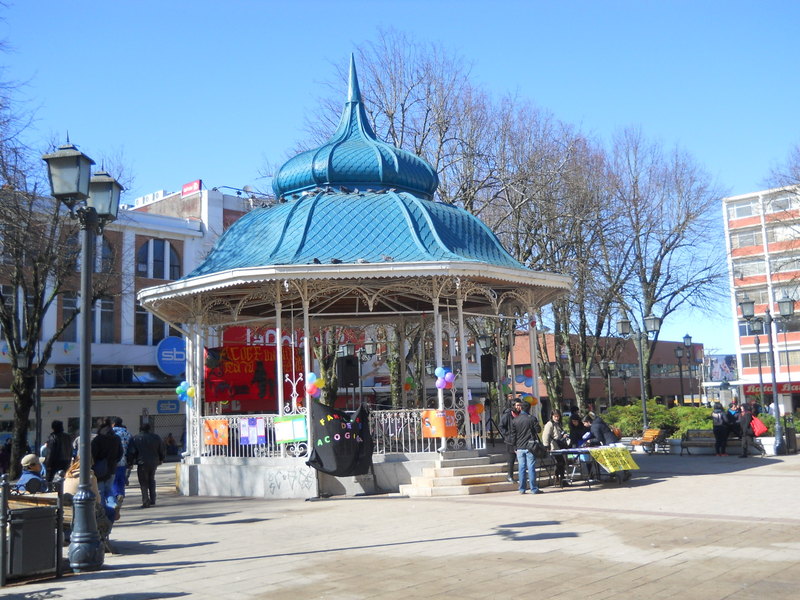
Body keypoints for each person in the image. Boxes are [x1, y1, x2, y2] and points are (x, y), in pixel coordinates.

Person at [91, 419, 124, 515]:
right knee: (109, 489)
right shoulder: (116, 438)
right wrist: (114, 461)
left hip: (99, 469)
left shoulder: (98, 439)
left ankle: (103, 513)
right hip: (112, 468)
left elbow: (93, 455)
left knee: (100, 491)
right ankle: (113, 505)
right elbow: (120, 453)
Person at [129, 422, 166, 508]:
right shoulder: (156, 437)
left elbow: (132, 451)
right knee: (151, 479)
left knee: (143, 482)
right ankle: (153, 499)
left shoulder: (136, 438)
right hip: (154, 462)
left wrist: (130, 462)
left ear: (140, 429)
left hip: (142, 462)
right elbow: (161, 448)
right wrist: (161, 458)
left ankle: (146, 500)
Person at [510, 401, 542, 495]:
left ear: (521, 408)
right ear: (529, 408)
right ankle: (533, 488)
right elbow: (538, 430)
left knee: (521, 467)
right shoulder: (532, 418)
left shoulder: (515, 420)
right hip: (530, 446)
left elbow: (513, 435)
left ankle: (522, 489)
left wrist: (514, 446)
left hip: (519, 447)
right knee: (531, 467)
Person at [498, 398, 523, 483]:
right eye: (518, 405)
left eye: (520, 405)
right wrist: (507, 435)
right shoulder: (507, 415)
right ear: (513, 406)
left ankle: (522, 476)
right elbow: (501, 426)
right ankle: (510, 476)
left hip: (520, 440)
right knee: (511, 459)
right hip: (510, 441)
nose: (519, 407)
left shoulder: (522, 415)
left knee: (521, 460)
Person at [542, 409, 569, 487]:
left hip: (560, 446)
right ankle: (558, 479)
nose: (556, 418)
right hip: (554, 447)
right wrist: (546, 446)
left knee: (562, 463)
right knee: (558, 463)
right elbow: (545, 435)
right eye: (555, 416)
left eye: (558, 416)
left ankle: (562, 479)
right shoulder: (549, 424)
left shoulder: (558, 424)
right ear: (552, 416)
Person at [112, 417, 133, 499]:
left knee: (113, 480)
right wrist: (131, 462)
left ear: (113, 424)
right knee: (121, 479)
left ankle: (115, 495)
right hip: (124, 461)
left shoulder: (111, 433)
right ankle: (121, 494)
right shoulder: (127, 433)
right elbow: (131, 449)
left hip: (112, 461)